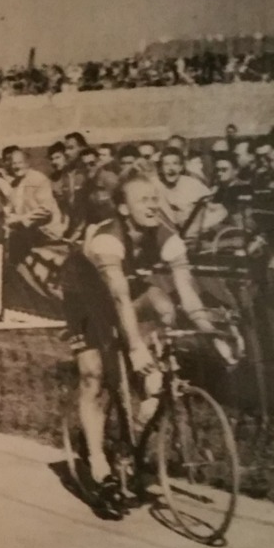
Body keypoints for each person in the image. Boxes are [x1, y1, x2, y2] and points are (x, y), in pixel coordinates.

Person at [58, 174, 232, 513]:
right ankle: (98, 465)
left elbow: (187, 292)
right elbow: (119, 299)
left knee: (162, 303)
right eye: (143, 200)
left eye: (155, 199)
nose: (153, 205)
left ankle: (149, 400)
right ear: (123, 208)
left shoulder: (167, 235)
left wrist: (211, 334)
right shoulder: (107, 240)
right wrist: (135, 347)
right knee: (94, 374)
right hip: (84, 293)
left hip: (124, 286)